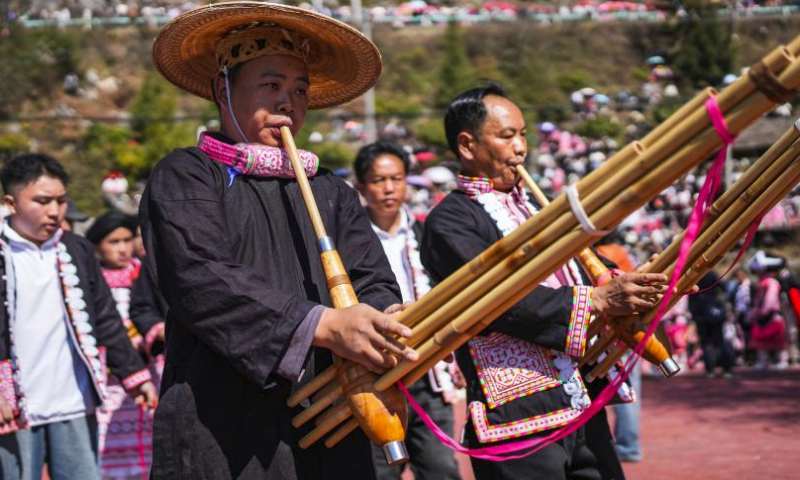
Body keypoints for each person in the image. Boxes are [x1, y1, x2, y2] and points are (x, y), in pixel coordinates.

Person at [140, 3, 417, 479]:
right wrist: (323, 326)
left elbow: (372, 278)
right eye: (271, 86)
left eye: (300, 90)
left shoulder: (330, 189)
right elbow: (200, 278)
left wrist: (385, 316)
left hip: (333, 419)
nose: (288, 103)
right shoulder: (186, 176)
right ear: (221, 90)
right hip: (223, 424)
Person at [421, 84, 667, 480]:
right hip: (516, 417)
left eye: (522, 135)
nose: (521, 148)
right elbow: (496, 300)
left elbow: (594, 270)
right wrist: (599, 301)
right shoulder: (449, 221)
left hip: (580, 400)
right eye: (506, 136)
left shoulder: (540, 209)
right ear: (467, 146)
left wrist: (645, 284)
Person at [0, 153, 157, 480]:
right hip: (14, 404)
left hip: (73, 399)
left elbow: (105, 317)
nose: (55, 211)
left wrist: (135, 375)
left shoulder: (76, 249)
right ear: (11, 203)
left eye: (60, 200)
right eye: (42, 201)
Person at [353, 141, 462, 480]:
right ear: (361, 187)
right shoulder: (351, 239)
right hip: (374, 373)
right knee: (380, 471)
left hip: (425, 370)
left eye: (396, 178)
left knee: (441, 468)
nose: (388, 188)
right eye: (378, 180)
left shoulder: (426, 232)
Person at [86, 210, 164, 479]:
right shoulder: (89, 281)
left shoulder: (146, 274)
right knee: (107, 441)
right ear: (96, 245)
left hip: (147, 374)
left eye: (127, 240)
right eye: (113, 242)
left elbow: (152, 313)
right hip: (106, 382)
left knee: (148, 439)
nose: (122, 248)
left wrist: (147, 338)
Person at [688, 271, 735, 378]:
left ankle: (710, 370)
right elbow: (724, 287)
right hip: (714, 312)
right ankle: (726, 369)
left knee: (706, 343)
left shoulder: (693, 274)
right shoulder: (711, 274)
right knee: (720, 341)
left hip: (701, 313)